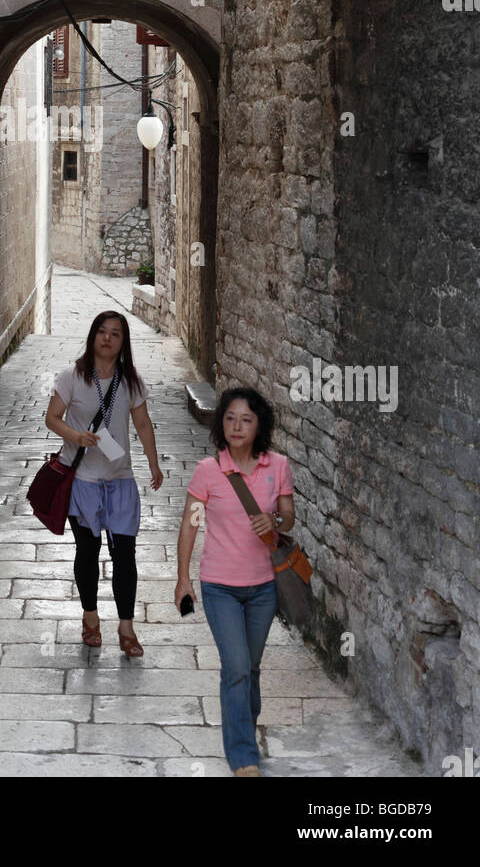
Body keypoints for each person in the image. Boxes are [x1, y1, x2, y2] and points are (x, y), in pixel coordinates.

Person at [174, 386, 295, 777]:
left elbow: (288, 517)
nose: (236, 426)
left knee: (252, 667)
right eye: (229, 418)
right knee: (237, 665)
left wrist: (274, 521)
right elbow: (191, 524)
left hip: (263, 587)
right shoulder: (208, 471)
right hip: (219, 586)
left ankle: (244, 723)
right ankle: (243, 755)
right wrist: (182, 578)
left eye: (246, 419)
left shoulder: (277, 466)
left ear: (259, 425)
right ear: (220, 423)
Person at [45, 311, 163, 656]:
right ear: (92, 337)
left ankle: (126, 627)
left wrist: (153, 464)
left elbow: (142, 424)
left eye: (115, 333)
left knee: (126, 554)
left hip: (120, 479)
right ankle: (91, 618)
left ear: (123, 342)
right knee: (88, 551)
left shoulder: (131, 381)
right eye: (102, 331)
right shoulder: (72, 376)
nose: (107, 338)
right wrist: (76, 436)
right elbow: (52, 417)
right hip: (82, 480)